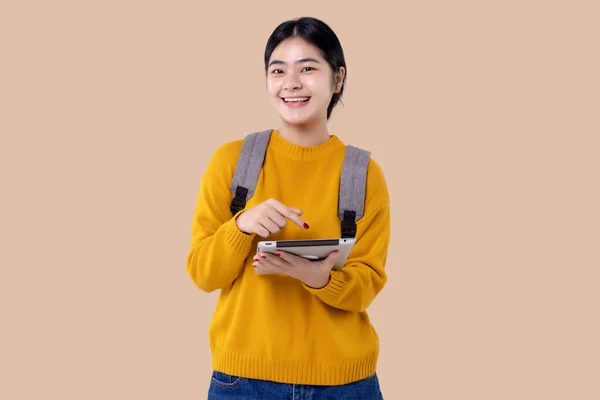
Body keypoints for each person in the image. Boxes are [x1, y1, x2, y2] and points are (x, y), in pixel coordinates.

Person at [186, 16, 390, 399]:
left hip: (345, 384)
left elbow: (368, 283)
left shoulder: (362, 172)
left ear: (338, 78)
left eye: (308, 68)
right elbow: (202, 273)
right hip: (243, 382)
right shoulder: (233, 162)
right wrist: (241, 225)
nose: (291, 83)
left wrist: (320, 279)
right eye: (277, 70)